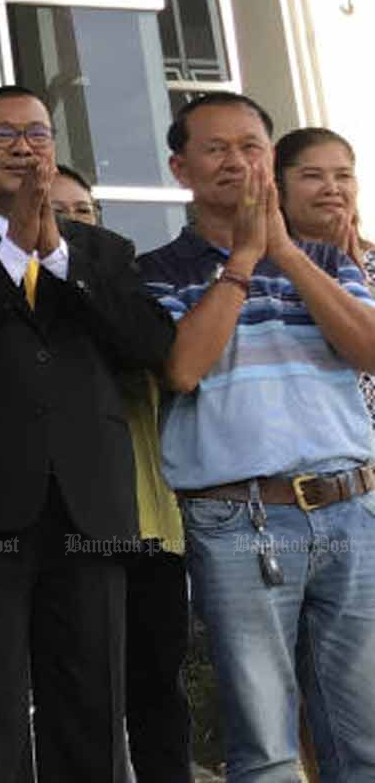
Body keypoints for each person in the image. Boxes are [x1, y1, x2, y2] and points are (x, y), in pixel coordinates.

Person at [0, 86, 175, 783]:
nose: (25, 146)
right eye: (3, 135)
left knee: (92, 701)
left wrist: (57, 256)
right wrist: (11, 260)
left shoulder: (103, 250)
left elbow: (148, 344)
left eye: (37, 132)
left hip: (90, 504)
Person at [139, 93, 375, 782]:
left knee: (362, 740)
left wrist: (284, 253)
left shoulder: (327, 261)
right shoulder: (158, 269)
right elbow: (183, 369)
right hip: (239, 517)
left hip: (349, 505)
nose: (237, 161)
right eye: (216, 149)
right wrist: (242, 261)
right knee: (266, 746)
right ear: (181, 168)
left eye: (252, 147)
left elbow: (368, 349)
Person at [47, 164, 192, 783]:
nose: (71, 222)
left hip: (146, 524)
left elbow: (154, 356)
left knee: (156, 692)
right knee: (79, 699)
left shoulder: (128, 288)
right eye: (56, 211)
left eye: (82, 210)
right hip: (62, 529)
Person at [274, 126, 375, 422]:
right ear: (278, 189)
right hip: (315, 440)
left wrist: (356, 277)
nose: (331, 188)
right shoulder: (265, 269)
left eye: (343, 176)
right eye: (312, 176)